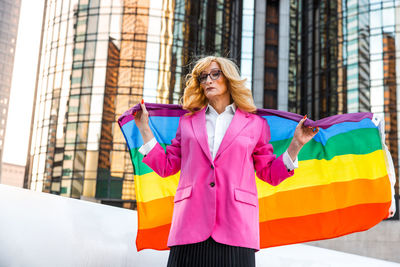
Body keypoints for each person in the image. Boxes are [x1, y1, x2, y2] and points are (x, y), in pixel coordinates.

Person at [134, 56, 319, 267]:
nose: (208, 81)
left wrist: (296, 144)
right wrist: (144, 129)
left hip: (237, 227)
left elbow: (270, 174)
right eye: (203, 77)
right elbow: (167, 167)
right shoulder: (187, 122)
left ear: (229, 79)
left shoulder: (255, 124)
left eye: (215, 74)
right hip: (189, 225)